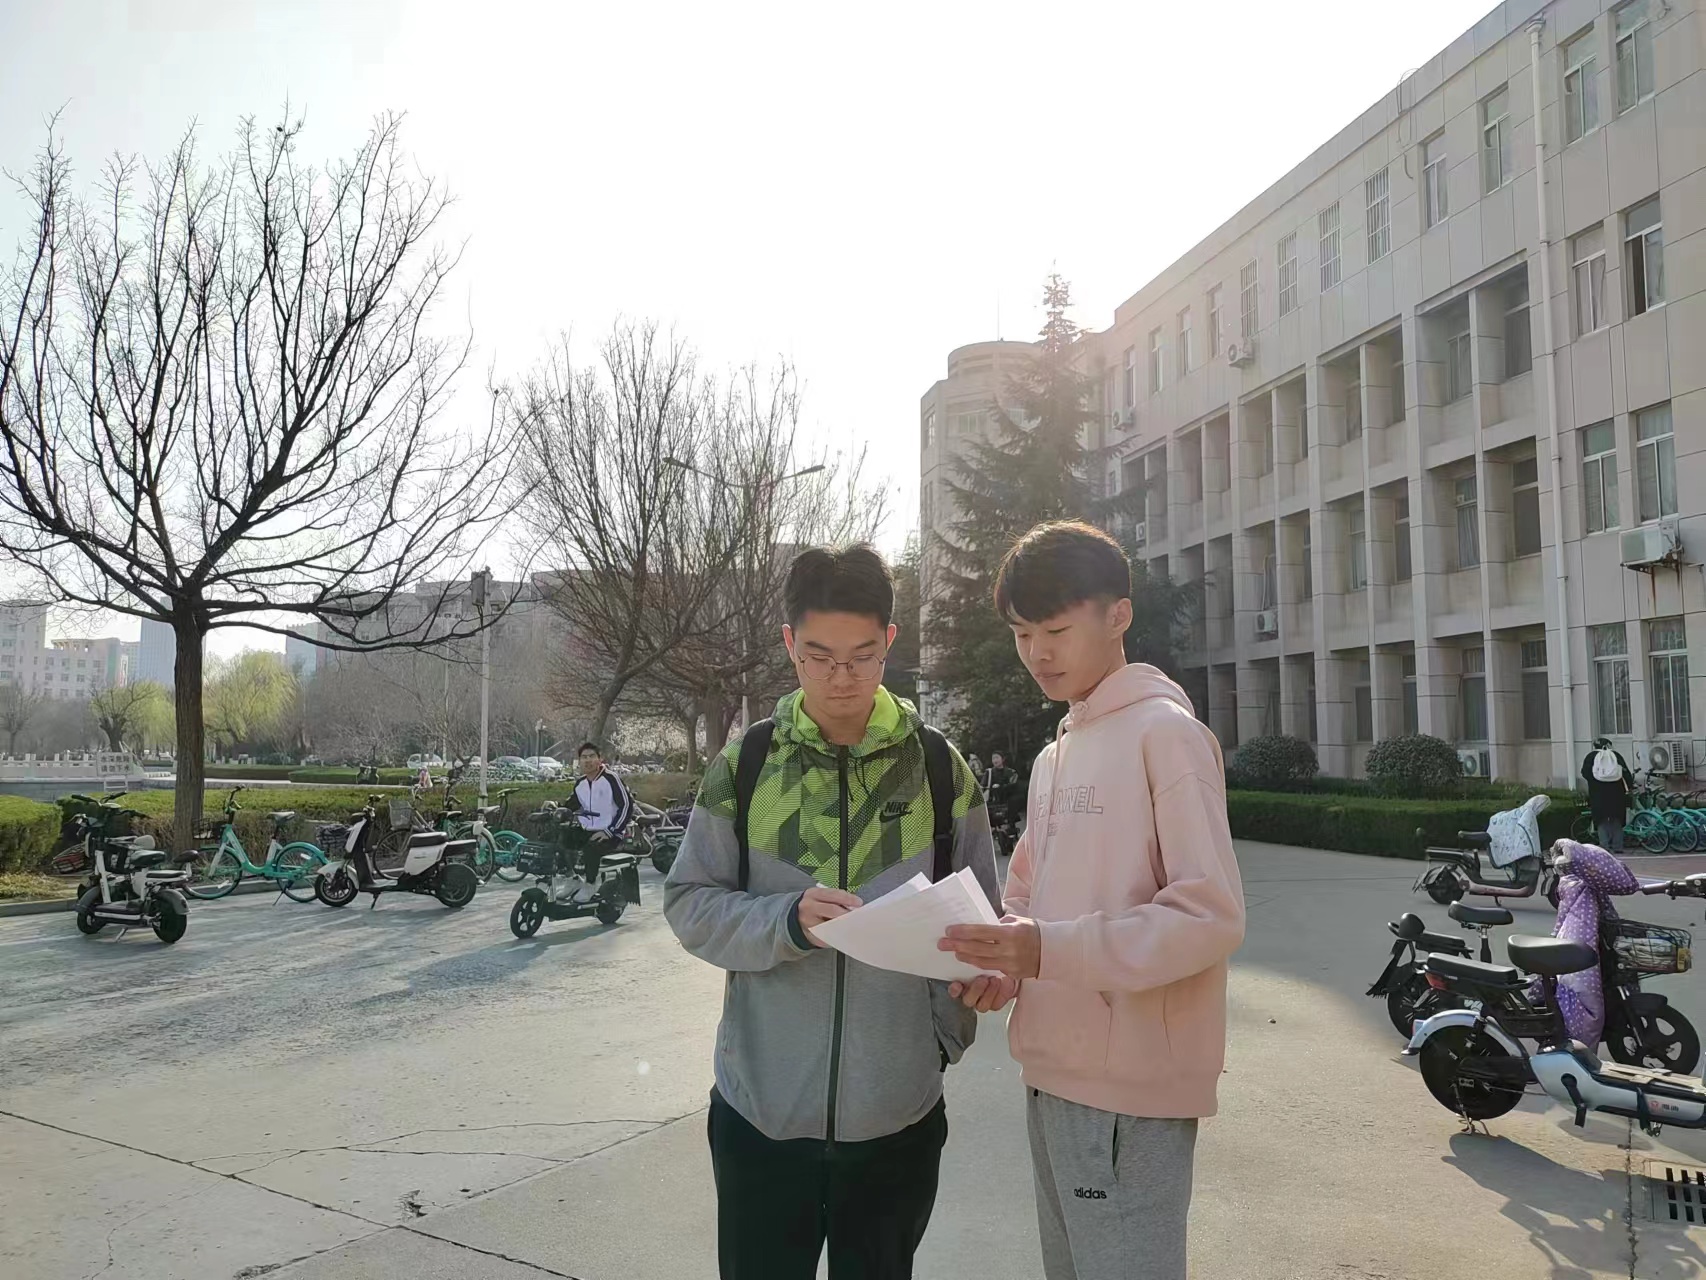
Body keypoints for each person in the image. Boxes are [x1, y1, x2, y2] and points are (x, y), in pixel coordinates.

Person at [664, 544, 998, 1280]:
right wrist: (785, 922)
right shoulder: (746, 767)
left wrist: (965, 1005)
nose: (841, 677)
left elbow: (984, 924)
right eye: (819, 657)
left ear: (890, 641)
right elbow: (690, 901)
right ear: (790, 643)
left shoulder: (939, 769)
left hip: (897, 1116)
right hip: (761, 1117)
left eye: (862, 656)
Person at [940, 520, 1245, 1280]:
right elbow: (1027, 898)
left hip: (1131, 1092)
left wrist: (1046, 949)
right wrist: (1006, 965)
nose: (1037, 653)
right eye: (1022, 634)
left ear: (1118, 616)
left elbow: (1210, 914)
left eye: (1055, 631)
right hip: (1052, 1072)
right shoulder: (1056, 754)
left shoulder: (1166, 736)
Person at [552, 742, 634, 903]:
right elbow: (571, 805)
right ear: (579, 761)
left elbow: (627, 806)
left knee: (592, 847)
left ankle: (590, 885)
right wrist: (555, 809)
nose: (588, 760)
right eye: (584, 757)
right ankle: (572, 879)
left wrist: (610, 831)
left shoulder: (611, 779)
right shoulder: (580, 783)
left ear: (600, 759)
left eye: (591, 756)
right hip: (587, 829)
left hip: (610, 833)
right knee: (560, 840)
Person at [1580, 736, 1634, 853]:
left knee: (1601, 820)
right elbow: (1626, 774)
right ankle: (1618, 846)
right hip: (1617, 794)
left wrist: (1595, 781)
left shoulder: (1591, 756)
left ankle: (1604, 846)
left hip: (1598, 794)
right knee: (1617, 819)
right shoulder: (1616, 756)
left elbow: (1585, 773)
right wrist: (1629, 786)